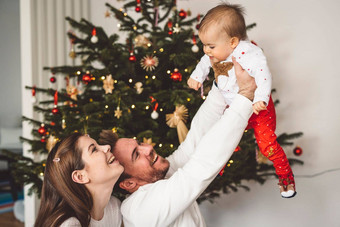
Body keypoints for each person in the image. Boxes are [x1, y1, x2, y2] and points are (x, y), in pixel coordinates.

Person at [99, 57, 255, 227]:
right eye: (136, 155)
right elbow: (199, 168)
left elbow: (196, 139)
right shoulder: (137, 210)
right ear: (129, 183)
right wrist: (245, 97)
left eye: (140, 144)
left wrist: (221, 84)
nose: (148, 148)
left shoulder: (159, 175)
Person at [187, 3, 296, 198]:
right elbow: (204, 62)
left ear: (233, 42)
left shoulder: (249, 54)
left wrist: (261, 98)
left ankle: (285, 174)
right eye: (204, 45)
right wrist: (197, 77)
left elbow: (263, 75)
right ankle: (213, 171)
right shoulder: (215, 53)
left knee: (268, 145)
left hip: (258, 109)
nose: (206, 50)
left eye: (211, 46)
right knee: (223, 138)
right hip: (235, 107)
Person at [34, 133, 124, 227]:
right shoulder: (70, 225)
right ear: (80, 177)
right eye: (94, 149)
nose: (107, 147)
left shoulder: (115, 207)